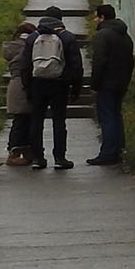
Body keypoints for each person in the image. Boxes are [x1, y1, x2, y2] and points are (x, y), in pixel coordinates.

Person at [16, 11, 84, 171]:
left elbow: (25, 65)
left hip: (37, 84)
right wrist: (75, 87)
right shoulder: (67, 37)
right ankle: (60, 158)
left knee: (36, 121)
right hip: (60, 84)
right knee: (59, 121)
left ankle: (38, 158)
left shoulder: (33, 38)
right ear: (59, 19)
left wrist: (27, 86)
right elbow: (76, 65)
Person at [85, 2, 134, 166]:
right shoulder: (125, 36)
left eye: (97, 17)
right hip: (121, 82)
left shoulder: (103, 36)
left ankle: (108, 153)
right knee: (116, 115)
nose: (95, 20)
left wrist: (94, 84)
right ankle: (119, 149)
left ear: (102, 17)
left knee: (107, 118)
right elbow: (130, 61)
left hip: (106, 83)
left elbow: (99, 61)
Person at [1, 21, 38, 165]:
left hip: (15, 85)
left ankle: (21, 151)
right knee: (22, 121)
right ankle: (15, 152)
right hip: (24, 85)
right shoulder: (27, 48)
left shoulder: (13, 48)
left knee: (20, 120)